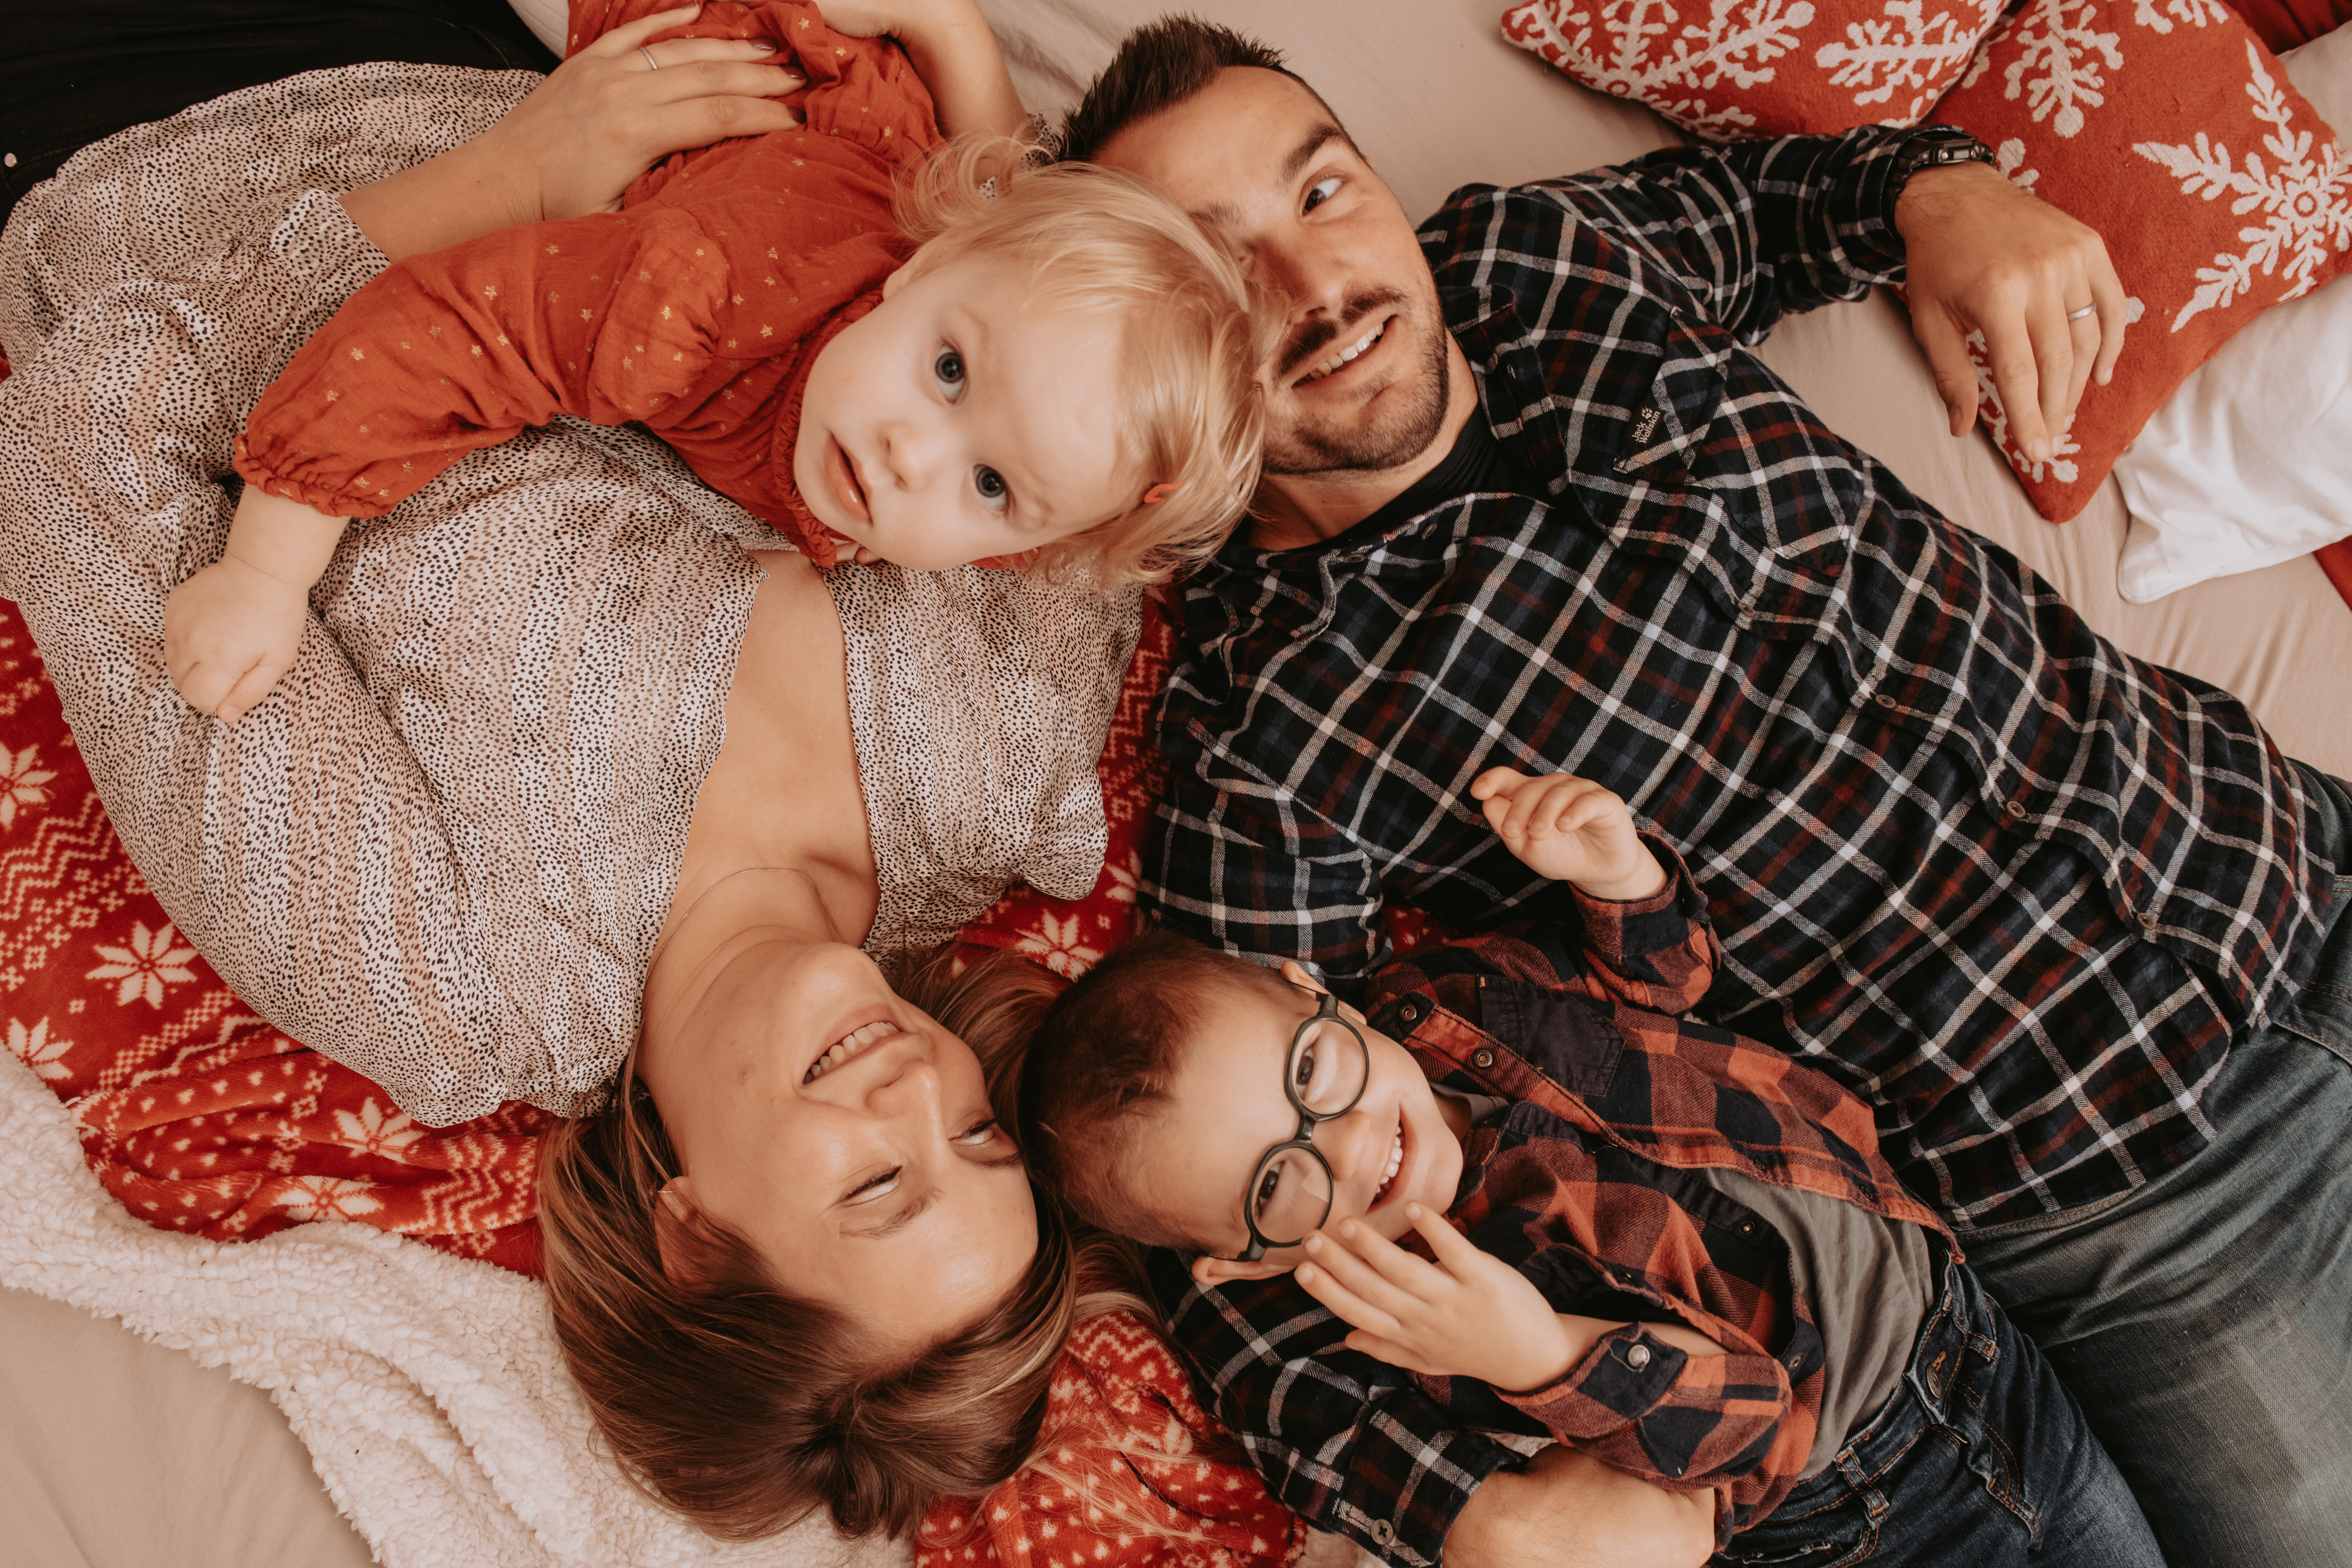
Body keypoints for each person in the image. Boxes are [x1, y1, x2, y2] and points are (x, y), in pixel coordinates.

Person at [1057, 16, 2352, 1568]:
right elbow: (1233, 1243)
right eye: (1212, 275)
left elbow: (1774, 209)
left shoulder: (1541, 256)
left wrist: (1936, 191)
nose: (1309, 286)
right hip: (2129, 1186)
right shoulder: (1264, 726)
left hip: (2270, 826)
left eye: (1322, 191)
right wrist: (1474, 1503)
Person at [0, 0, 1137, 1537]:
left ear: (695, 1238)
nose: (912, 1094)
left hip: (182, 106)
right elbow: (1068, 340)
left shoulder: (447, 970)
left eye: (876, 1186)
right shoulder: (1003, 765)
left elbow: (76, 448)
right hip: (578, 48)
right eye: (978, 1133)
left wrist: (503, 182)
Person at [1016, 767, 2163, 1566]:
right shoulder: (1441, 1320)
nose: (1352, 1142)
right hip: (1882, 1494)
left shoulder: (1449, 999)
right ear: (1234, 1261)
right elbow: (1764, 1430)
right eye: (1278, 1184)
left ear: (1319, 997)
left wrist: (1621, 882)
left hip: (1962, 1309)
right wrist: (1539, 1352)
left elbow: (1657, 993)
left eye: (1313, 1072)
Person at [163, 0, 1271, 726]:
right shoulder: (682, 301)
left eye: (991, 487)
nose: (906, 456)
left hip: (885, 143)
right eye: (945, 372)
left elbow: (1072, 452)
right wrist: (267, 570)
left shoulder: (1045, 480)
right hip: (737, 48)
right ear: (916, 270)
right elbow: (439, 330)